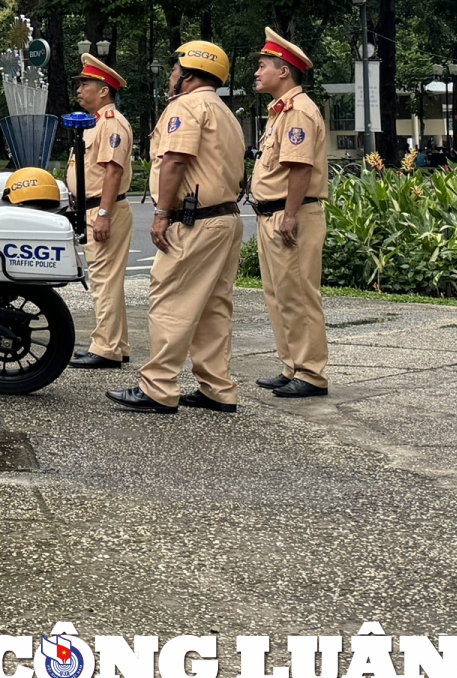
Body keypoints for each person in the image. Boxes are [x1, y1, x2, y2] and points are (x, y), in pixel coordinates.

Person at [108, 40, 247, 415]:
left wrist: (161, 213)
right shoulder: (224, 111)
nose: (171, 77)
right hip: (226, 218)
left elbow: (174, 162)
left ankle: (158, 386)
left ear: (187, 74)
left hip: (195, 220)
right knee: (214, 306)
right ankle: (218, 388)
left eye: (174, 71)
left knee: (170, 298)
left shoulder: (186, 106)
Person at [250, 28, 330, 399]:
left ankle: (311, 373)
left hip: (289, 214)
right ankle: (291, 365)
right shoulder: (280, 112)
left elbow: (299, 168)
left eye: (263, 65)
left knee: (298, 294)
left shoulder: (298, 111)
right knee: (279, 294)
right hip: (274, 213)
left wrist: (291, 214)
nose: (257, 71)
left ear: (284, 71)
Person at [67, 54, 137, 370]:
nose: (80, 89)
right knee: (107, 281)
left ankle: (105, 347)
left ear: (104, 90)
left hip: (103, 209)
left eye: (85, 84)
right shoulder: (96, 122)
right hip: (96, 208)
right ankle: (116, 344)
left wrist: (104, 214)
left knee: (104, 282)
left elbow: (112, 171)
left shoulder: (111, 123)